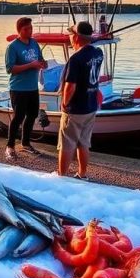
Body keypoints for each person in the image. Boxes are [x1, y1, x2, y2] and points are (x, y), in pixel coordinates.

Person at [58, 21, 103, 178]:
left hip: (75, 108)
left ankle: (61, 176)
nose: (69, 37)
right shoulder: (98, 54)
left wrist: (64, 104)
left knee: (66, 144)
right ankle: (82, 174)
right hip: (90, 106)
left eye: (71, 34)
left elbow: (71, 86)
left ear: (76, 37)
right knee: (84, 143)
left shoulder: (75, 59)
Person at [5, 16, 46, 159]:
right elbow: (10, 69)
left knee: (32, 115)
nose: (29, 31)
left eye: (31, 28)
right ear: (19, 30)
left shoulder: (34, 43)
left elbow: (39, 59)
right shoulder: (13, 47)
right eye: (26, 29)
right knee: (18, 116)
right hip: (18, 88)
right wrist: (31, 65)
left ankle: (25, 143)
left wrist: (43, 63)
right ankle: (10, 146)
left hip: (32, 87)